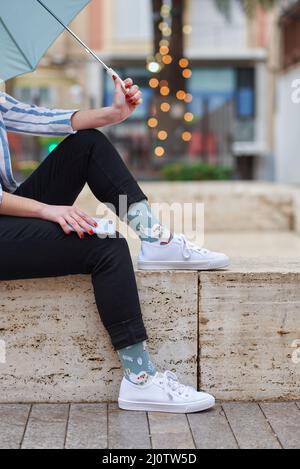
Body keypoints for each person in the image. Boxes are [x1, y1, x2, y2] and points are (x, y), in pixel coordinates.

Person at [0, 76, 229, 413]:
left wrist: (115, 113)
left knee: (87, 144)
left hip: (10, 211)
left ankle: (155, 239)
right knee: (106, 244)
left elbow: (46, 118)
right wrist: (47, 211)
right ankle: (140, 380)